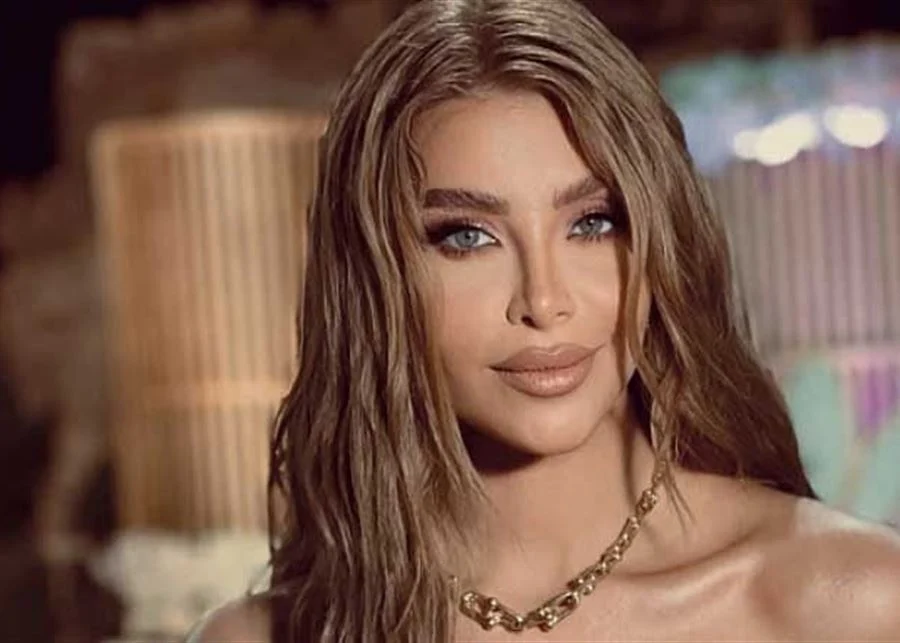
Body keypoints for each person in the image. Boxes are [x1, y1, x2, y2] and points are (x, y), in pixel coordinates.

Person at [188, 0, 900, 641]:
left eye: (593, 222)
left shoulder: (851, 601)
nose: (545, 299)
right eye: (467, 236)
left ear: (660, 242)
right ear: (374, 279)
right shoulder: (268, 636)